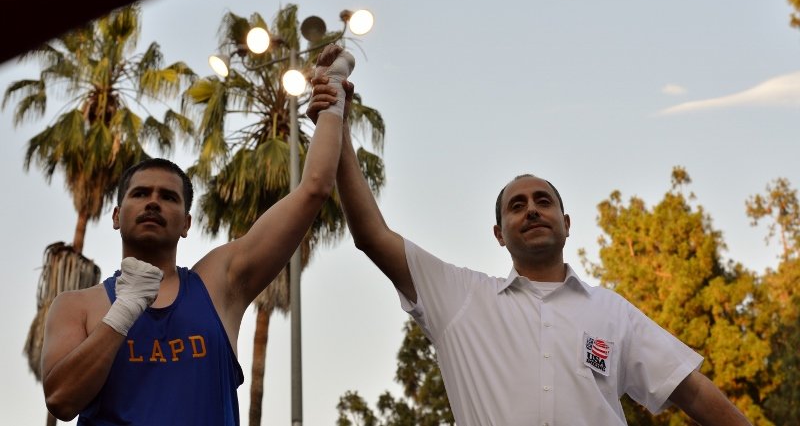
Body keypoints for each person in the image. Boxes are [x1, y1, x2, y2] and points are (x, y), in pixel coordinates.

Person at [307, 78, 753, 425]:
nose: (532, 210)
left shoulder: (612, 312)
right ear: (499, 234)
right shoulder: (460, 296)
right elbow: (372, 235)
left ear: (567, 224)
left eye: (543, 201)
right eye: (517, 206)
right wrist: (338, 125)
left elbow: (691, 390)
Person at [40, 44, 352, 425]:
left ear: (187, 224)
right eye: (140, 194)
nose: (153, 202)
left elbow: (313, 190)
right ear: (117, 216)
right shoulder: (77, 306)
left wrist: (332, 93)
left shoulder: (220, 284)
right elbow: (61, 400)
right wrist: (124, 310)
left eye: (168, 197)